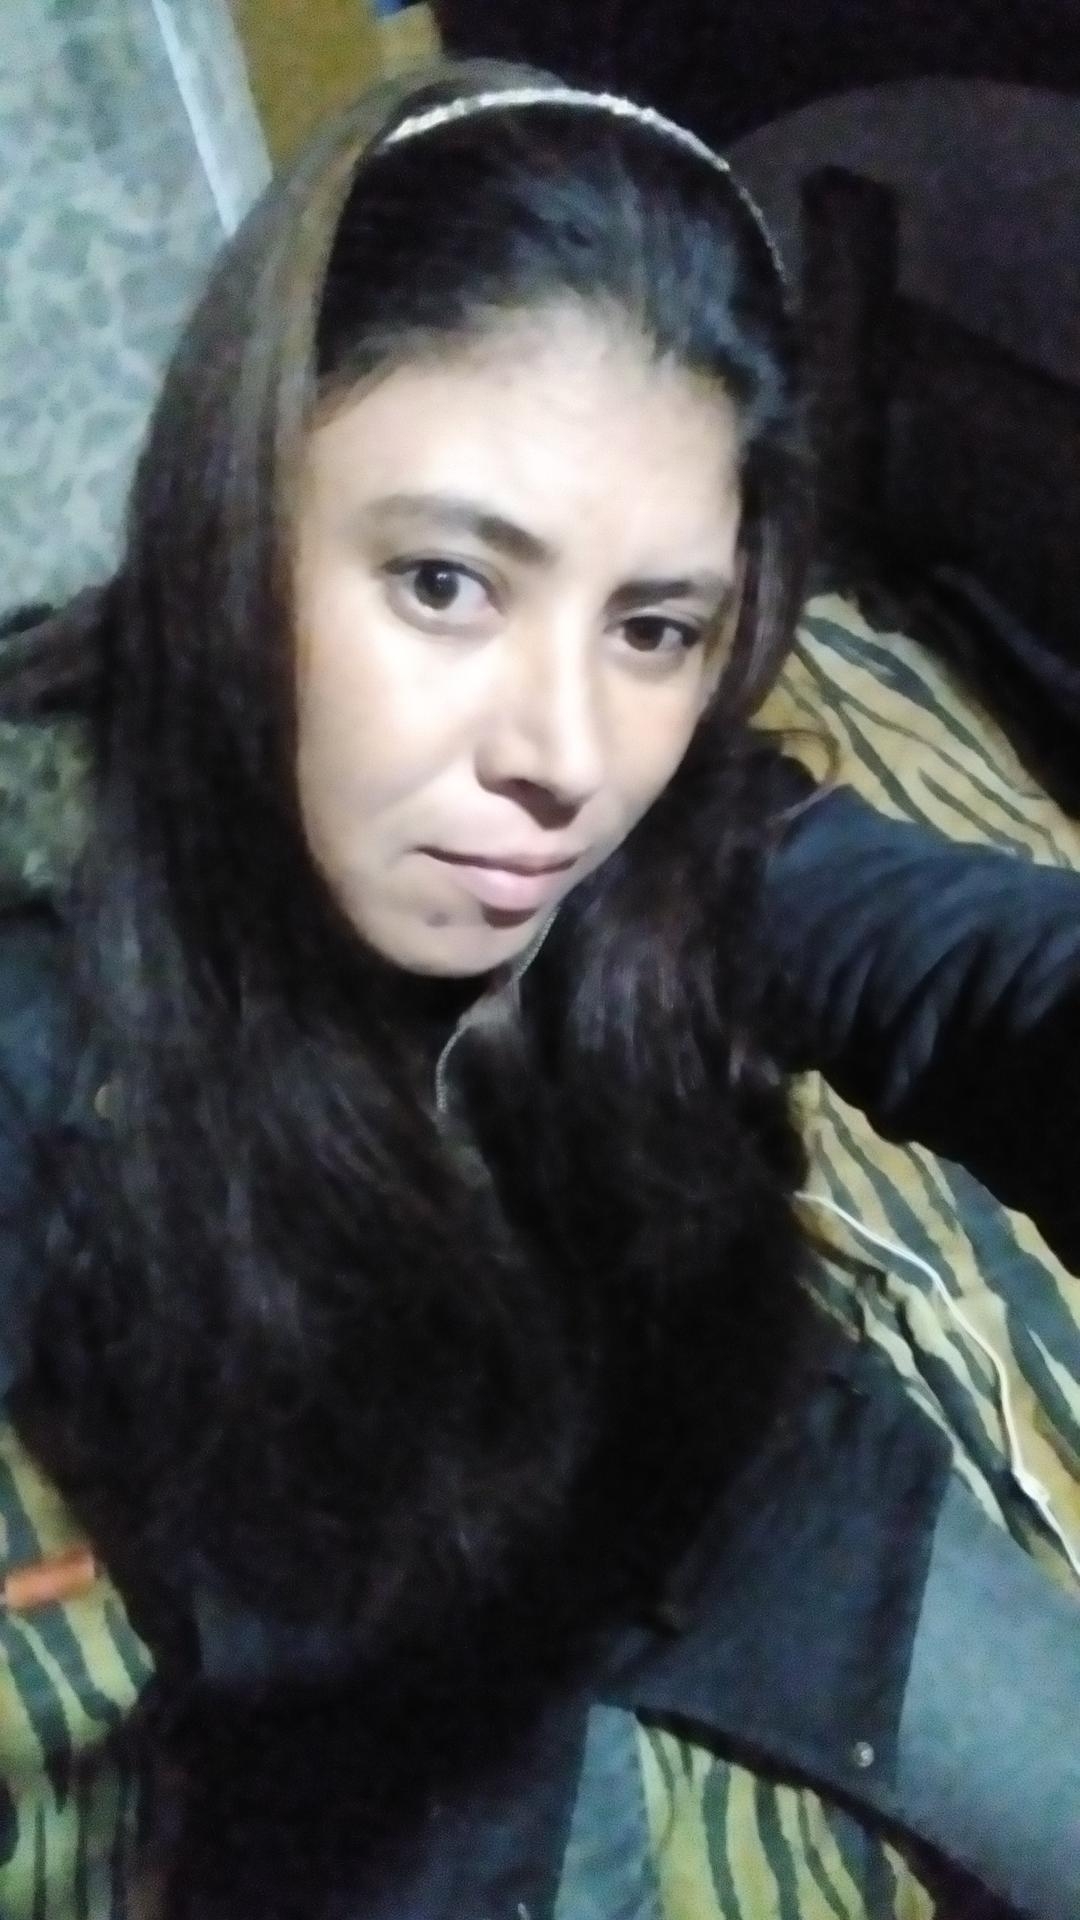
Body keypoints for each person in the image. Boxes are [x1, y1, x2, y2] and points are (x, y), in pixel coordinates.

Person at [0, 57, 1076, 1920]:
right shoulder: (44, 953)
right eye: (445, 583)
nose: (567, 759)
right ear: (238, 514)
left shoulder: (670, 833)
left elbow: (960, 959)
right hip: (374, 1675)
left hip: (757, 1498)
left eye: (654, 627)